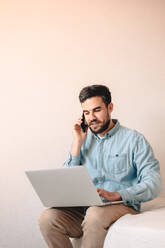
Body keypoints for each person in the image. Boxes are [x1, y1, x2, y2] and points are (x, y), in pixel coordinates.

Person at [39, 84, 161, 248]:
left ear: (110, 107)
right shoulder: (82, 141)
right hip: (85, 209)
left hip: (121, 206)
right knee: (47, 218)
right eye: (86, 112)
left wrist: (117, 195)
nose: (91, 117)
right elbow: (67, 183)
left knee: (95, 213)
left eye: (97, 110)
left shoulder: (134, 140)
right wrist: (77, 142)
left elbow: (154, 184)